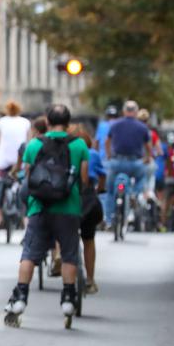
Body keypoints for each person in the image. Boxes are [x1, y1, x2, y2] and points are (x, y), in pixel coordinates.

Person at [3, 104, 90, 321]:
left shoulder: (34, 144)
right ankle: (69, 299)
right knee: (69, 253)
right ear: (69, 123)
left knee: (30, 253)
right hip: (68, 208)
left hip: (39, 207)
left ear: (48, 121)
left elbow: (28, 176)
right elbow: (84, 178)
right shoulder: (79, 145)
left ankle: (21, 295)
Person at [104, 100, 153, 222]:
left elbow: (107, 141)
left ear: (124, 111)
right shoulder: (142, 127)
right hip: (135, 163)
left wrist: (109, 155)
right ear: (136, 112)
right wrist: (147, 158)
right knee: (143, 177)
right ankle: (134, 194)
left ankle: (109, 219)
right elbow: (148, 147)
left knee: (109, 190)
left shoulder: (115, 125)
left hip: (116, 162)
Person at [71, 124, 103, 294]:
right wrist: (101, 189)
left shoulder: (67, 152)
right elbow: (102, 176)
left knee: (64, 234)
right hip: (89, 200)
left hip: (69, 200)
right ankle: (90, 279)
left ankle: (60, 257)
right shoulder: (94, 155)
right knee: (89, 239)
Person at [0, 100, 31, 228]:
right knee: (23, 184)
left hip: (3, 160)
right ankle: (25, 218)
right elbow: (29, 142)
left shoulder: (1, 122)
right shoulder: (26, 122)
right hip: (21, 159)